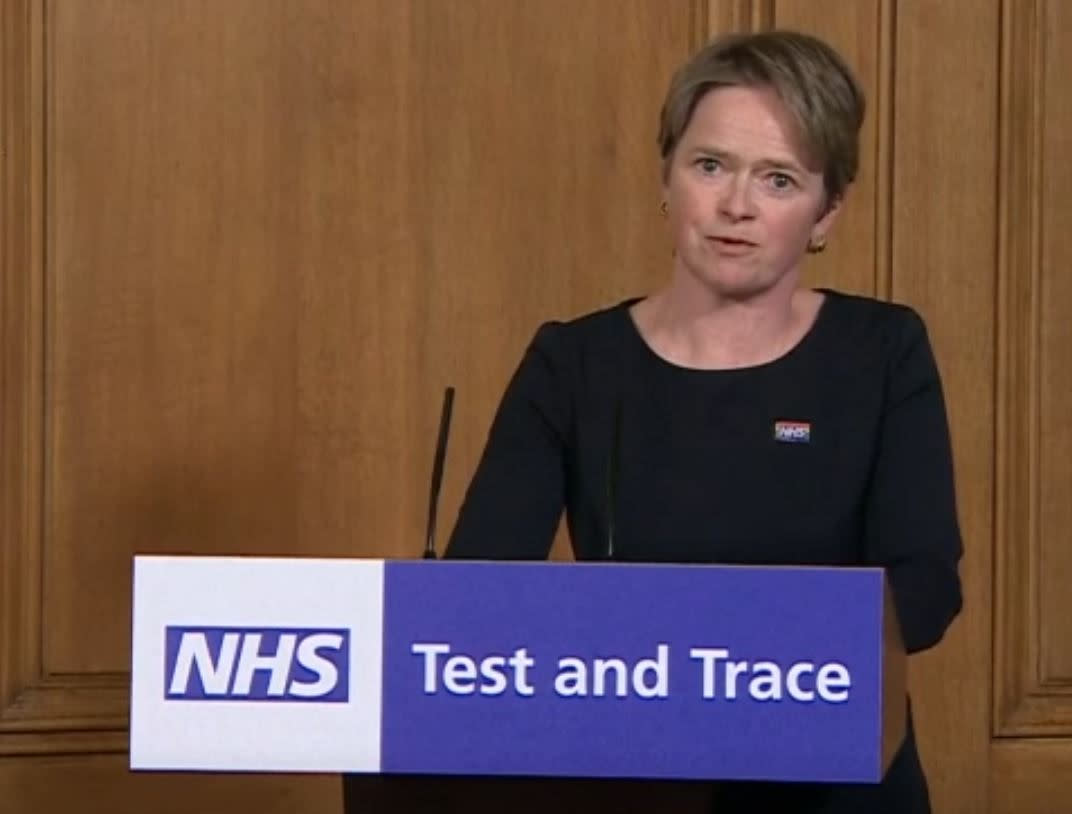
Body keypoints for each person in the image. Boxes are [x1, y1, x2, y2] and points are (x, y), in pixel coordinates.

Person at [444, 29, 963, 813]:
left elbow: (926, 590)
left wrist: (746, 655)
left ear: (827, 213)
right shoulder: (574, 364)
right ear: (668, 178)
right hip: (633, 779)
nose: (737, 207)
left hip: (833, 783)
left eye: (779, 180)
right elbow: (476, 601)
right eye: (710, 165)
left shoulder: (882, 353)